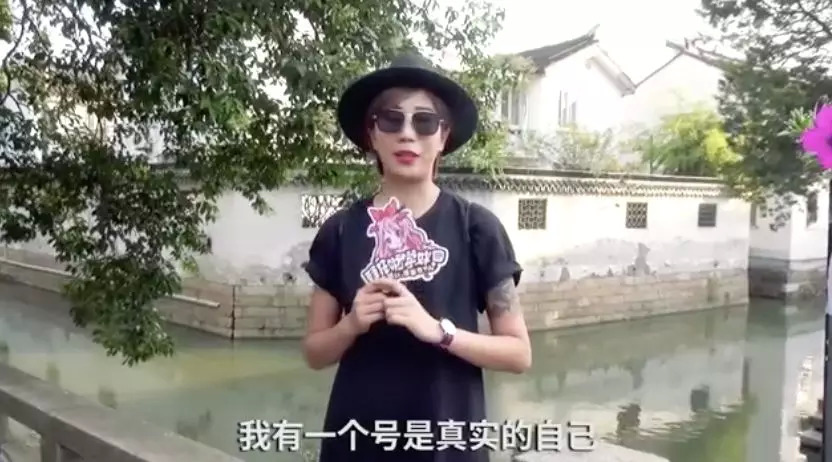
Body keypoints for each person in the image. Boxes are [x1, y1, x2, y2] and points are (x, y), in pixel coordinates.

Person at [302, 52, 532, 462]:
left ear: (443, 137)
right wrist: (351, 324)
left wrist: (439, 332)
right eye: (391, 120)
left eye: (424, 122)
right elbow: (315, 353)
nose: (407, 134)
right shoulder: (340, 230)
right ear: (371, 134)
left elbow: (518, 354)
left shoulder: (477, 228)